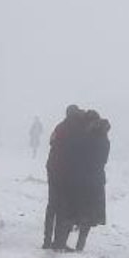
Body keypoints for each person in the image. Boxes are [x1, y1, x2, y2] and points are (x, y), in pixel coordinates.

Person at [43, 105, 82, 249]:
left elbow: (51, 142)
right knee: (63, 208)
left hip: (53, 169)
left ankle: (47, 240)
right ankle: (58, 241)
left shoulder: (60, 127)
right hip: (67, 174)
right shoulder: (77, 131)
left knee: (52, 206)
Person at [73, 116, 110, 252]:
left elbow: (79, 156)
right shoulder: (105, 142)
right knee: (89, 213)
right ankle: (81, 243)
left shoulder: (87, 139)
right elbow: (103, 160)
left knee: (80, 207)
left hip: (83, 178)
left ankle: (74, 229)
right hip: (97, 180)